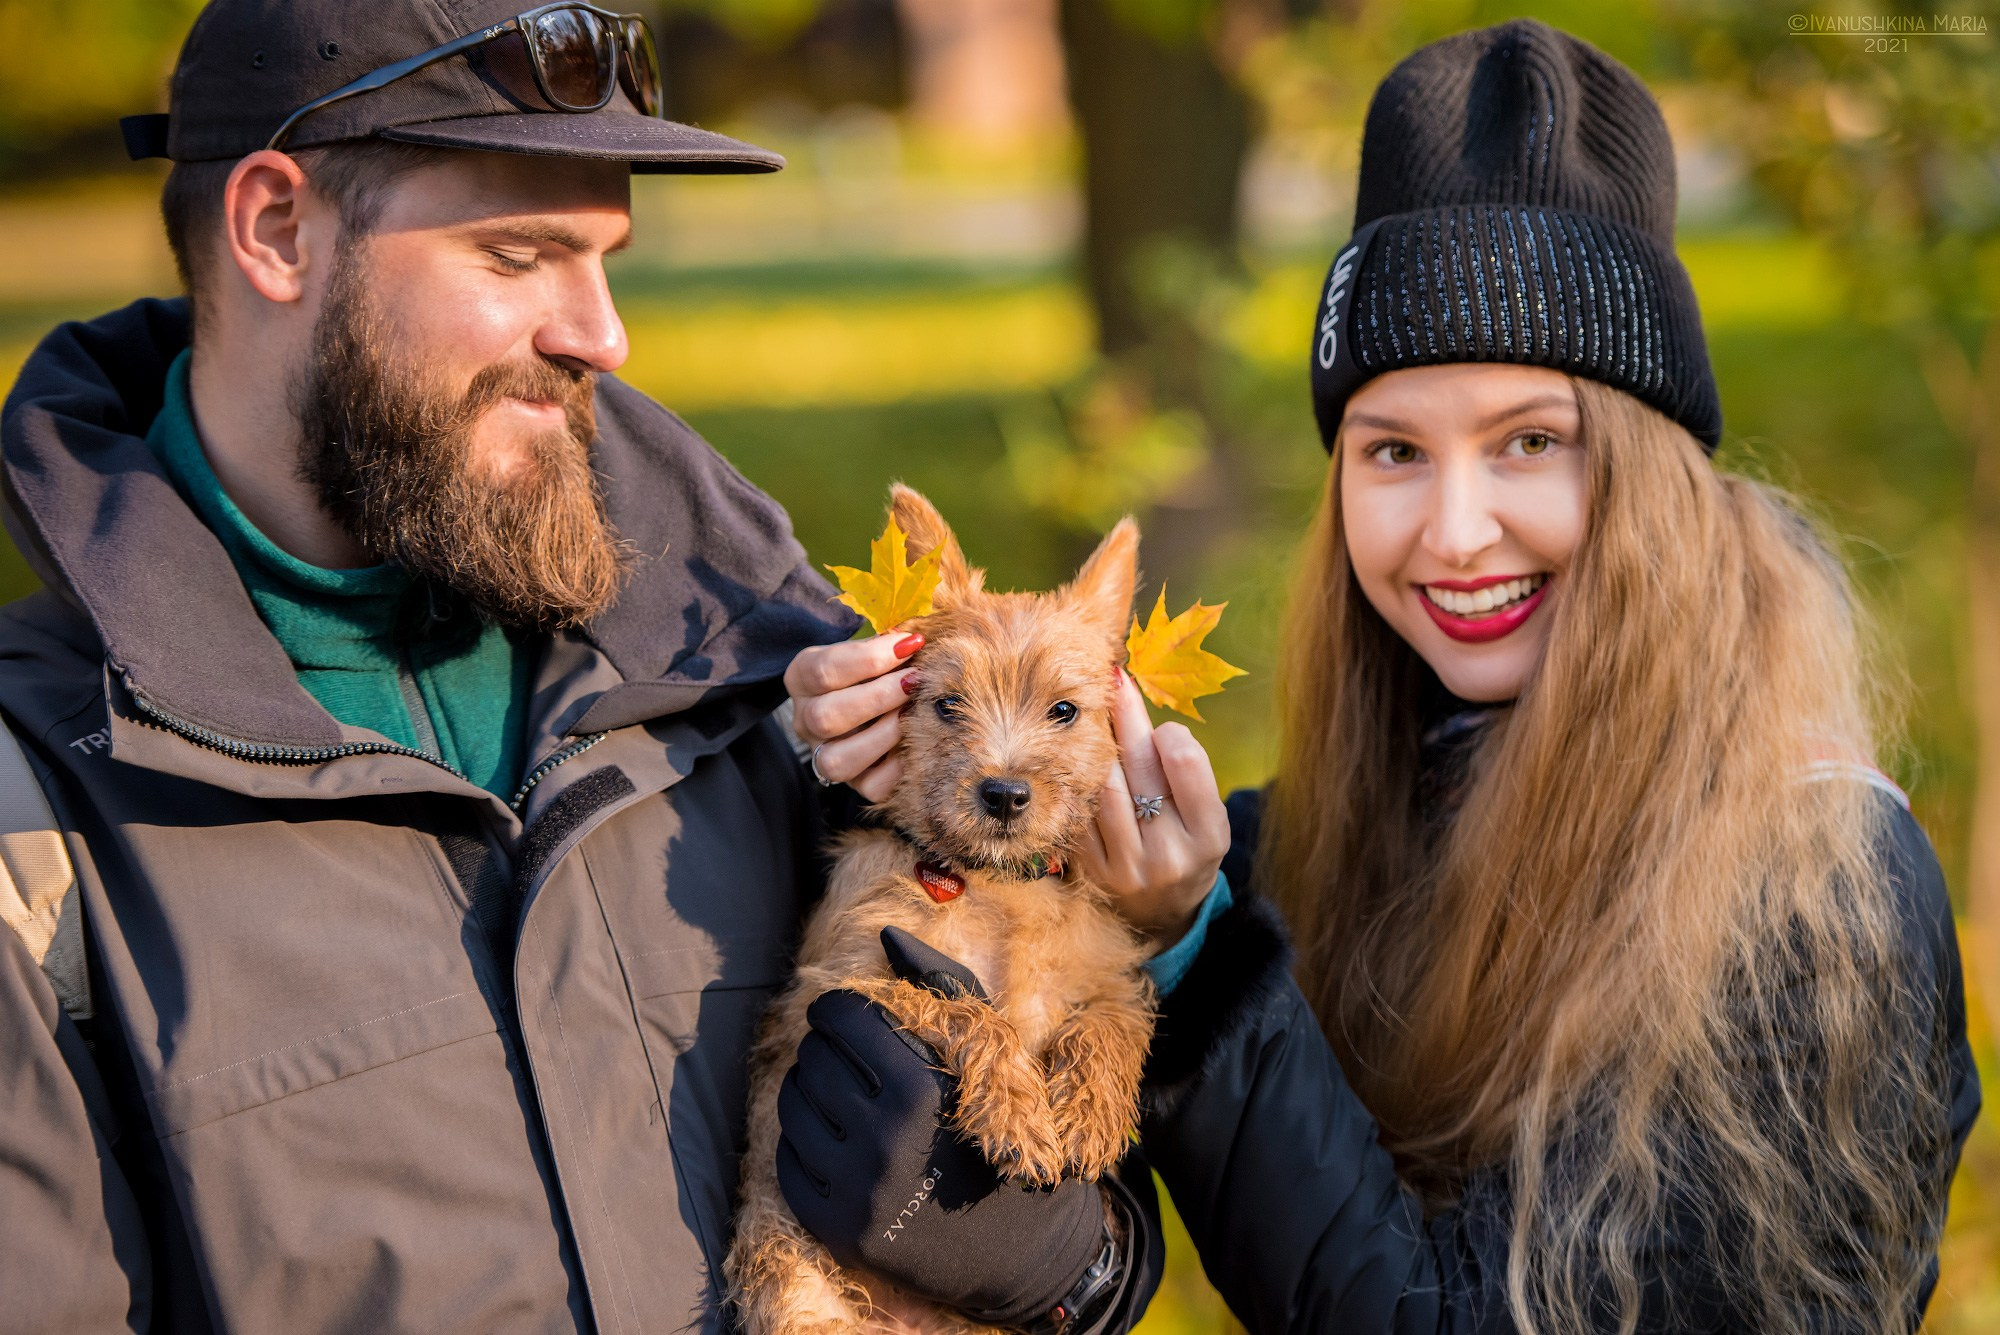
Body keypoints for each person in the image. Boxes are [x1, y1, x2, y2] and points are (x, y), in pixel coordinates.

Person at [780, 18, 1979, 1334]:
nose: (1453, 531)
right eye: (1393, 452)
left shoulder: (1810, 882)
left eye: (1532, 441)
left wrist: (1200, 958)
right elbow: (1094, 1180)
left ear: (1652, 483)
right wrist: (876, 784)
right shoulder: (1323, 833)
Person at [0, 2, 1158, 1329]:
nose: (603, 335)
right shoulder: (38, 822)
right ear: (277, 229)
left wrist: (1070, 1270)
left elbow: (1076, 1121)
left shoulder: (768, 681)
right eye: (519, 254)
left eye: (605, 258)